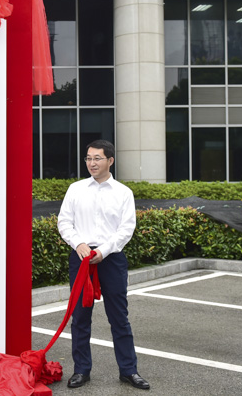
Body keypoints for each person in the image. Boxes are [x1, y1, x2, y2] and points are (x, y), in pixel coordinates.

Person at [57, 140, 149, 391]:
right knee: (80, 317)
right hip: (81, 258)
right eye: (88, 158)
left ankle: (129, 370)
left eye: (97, 158)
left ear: (110, 160)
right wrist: (79, 244)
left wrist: (104, 250)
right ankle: (81, 370)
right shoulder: (76, 189)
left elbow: (126, 229)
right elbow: (64, 222)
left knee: (119, 317)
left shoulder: (123, 192)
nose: (92, 163)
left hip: (112, 259)